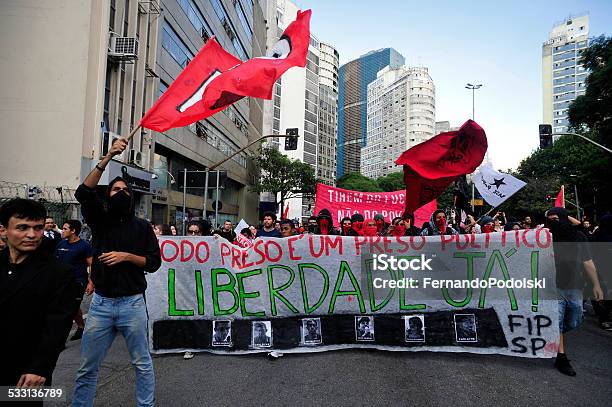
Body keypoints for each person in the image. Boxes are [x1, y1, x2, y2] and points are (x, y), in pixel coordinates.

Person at [72, 137, 162, 406]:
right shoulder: (100, 221)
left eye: (124, 190)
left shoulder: (142, 227)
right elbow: (82, 194)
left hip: (133, 304)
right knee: (87, 367)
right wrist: (108, 155)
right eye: (114, 189)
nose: (120, 192)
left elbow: (153, 262)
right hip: (100, 305)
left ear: (132, 197)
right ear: (107, 196)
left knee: (142, 363)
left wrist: (128, 257)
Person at [0, 198, 78, 389]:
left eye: (38, 228)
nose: (32, 235)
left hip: (26, 376)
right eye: (22, 228)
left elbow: (57, 326)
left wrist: (39, 368)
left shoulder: (59, 273)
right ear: (4, 230)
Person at [545, 207, 604, 376]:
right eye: (551, 219)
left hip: (575, 287)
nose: (554, 222)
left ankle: (556, 336)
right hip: (553, 287)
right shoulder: (546, 238)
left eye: (557, 219)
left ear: (564, 218)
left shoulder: (579, 237)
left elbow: (588, 262)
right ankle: (561, 356)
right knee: (558, 322)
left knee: (573, 321)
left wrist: (596, 285)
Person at [55, 219, 94, 341]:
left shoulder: (84, 246)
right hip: (62, 281)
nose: (62, 230)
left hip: (78, 281)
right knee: (72, 307)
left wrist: (91, 282)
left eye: (65, 228)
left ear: (73, 231)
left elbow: (91, 264)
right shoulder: (61, 245)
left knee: (69, 306)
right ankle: (81, 326)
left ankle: (61, 338)